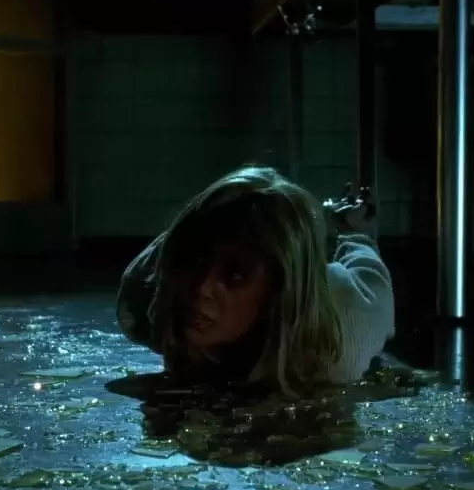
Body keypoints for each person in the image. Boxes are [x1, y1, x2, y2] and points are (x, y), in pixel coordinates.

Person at [116, 165, 394, 395]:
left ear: (277, 294)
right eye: (197, 261)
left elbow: (374, 285)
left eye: (235, 276)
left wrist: (353, 231)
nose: (201, 288)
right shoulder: (144, 300)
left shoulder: (338, 337)